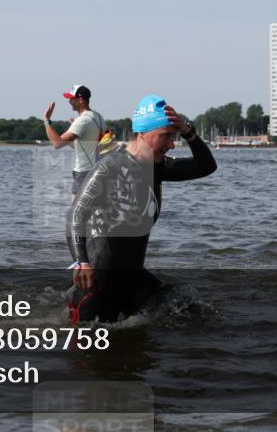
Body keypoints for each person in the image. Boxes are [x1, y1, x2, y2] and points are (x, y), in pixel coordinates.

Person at [66, 95, 217, 323]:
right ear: (142, 134)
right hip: (98, 282)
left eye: (174, 136)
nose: (171, 144)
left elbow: (206, 166)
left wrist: (189, 132)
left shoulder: (158, 168)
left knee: (191, 311)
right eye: (165, 136)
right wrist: (82, 263)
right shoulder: (111, 167)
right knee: (92, 350)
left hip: (132, 277)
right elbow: (76, 215)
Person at [43, 85, 106, 199]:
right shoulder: (98, 117)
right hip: (98, 172)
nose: (69, 101)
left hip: (84, 173)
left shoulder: (83, 120)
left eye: (72, 98)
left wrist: (47, 120)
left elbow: (57, 144)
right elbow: (82, 145)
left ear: (80, 100)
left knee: (76, 214)